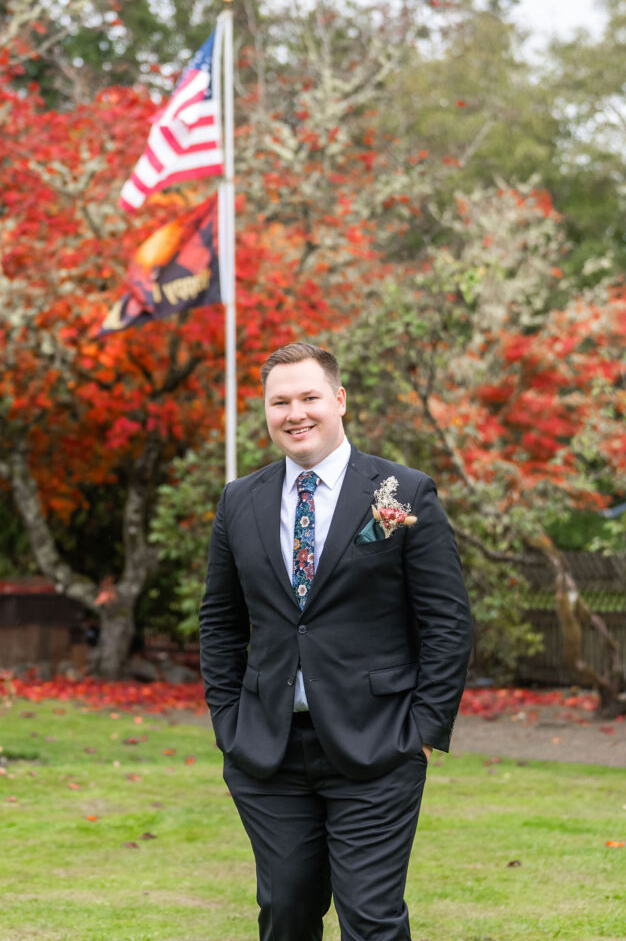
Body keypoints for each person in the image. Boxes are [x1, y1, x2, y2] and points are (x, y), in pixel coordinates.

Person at [199, 342, 472, 941]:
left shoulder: (402, 492)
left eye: (308, 397)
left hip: (378, 744)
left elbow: (448, 622)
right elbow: (220, 622)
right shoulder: (238, 500)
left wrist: (423, 731)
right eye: (280, 402)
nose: (295, 413)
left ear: (339, 400)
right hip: (268, 750)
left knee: (371, 921)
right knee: (287, 915)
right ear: (266, 411)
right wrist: (228, 722)